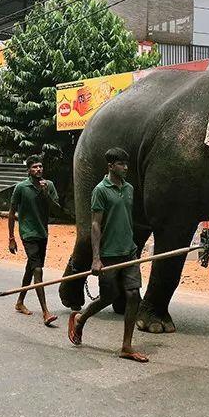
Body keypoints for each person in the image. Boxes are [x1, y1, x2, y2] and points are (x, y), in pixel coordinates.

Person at [68, 147, 148, 363]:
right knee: (109, 296)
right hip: (109, 253)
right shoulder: (100, 190)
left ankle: (126, 346)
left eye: (126, 164)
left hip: (129, 251)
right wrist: (96, 258)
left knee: (133, 295)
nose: (126, 168)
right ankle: (81, 319)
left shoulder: (129, 189)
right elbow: (95, 224)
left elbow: (128, 218)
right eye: (121, 164)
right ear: (111, 166)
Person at [8, 155, 60, 327]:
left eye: (40, 166)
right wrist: (11, 238)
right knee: (37, 269)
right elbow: (11, 212)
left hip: (42, 233)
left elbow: (56, 210)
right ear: (28, 170)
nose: (38, 169)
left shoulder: (49, 185)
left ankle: (20, 301)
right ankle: (45, 312)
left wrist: (46, 194)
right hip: (27, 233)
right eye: (34, 167)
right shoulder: (21, 187)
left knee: (31, 268)